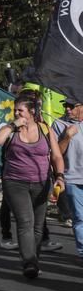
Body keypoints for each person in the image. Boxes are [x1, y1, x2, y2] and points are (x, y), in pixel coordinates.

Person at [0, 92, 66, 278]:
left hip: (42, 183)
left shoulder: (45, 129)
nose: (17, 113)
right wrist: (12, 125)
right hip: (15, 182)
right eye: (15, 110)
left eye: (20, 110)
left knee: (39, 226)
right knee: (26, 222)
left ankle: (34, 259)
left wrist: (60, 177)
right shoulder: (11, 130)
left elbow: (56, 156)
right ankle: (29, 263)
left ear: (32, 111)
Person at [54, 97, 83, 262]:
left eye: (71, 106)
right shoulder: (59, 124)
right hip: (72, 178)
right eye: (66, 106)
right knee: (80, 218)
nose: (67, 109)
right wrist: (67, 136)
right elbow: (56, 153)